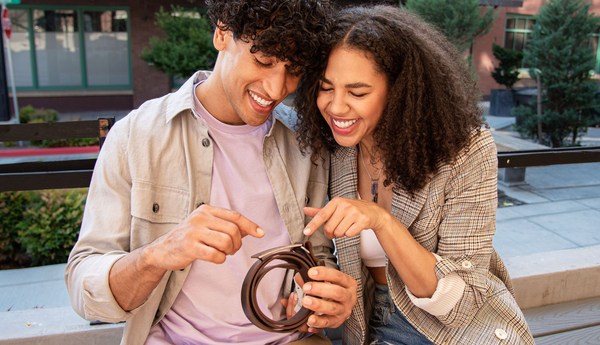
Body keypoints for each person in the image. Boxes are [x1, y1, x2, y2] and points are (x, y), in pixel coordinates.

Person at [65, 1, 357, 344]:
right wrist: (158, 255)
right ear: (221, 33)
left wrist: (324, 297)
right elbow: (84, 292)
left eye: (293, 70)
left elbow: (317, 257)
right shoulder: (137, 136)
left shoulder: (305, 142)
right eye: (263, 60)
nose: (277, 89)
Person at [296, 5, 534, 345]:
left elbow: (462, 301)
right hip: (365, 319)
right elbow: (314, 250)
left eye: (357, 92)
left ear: (399, 91)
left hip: (452, 327)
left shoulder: (465, 150)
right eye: (325, 87)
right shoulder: (330, 145)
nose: (335, 106)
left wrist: (381, 220)